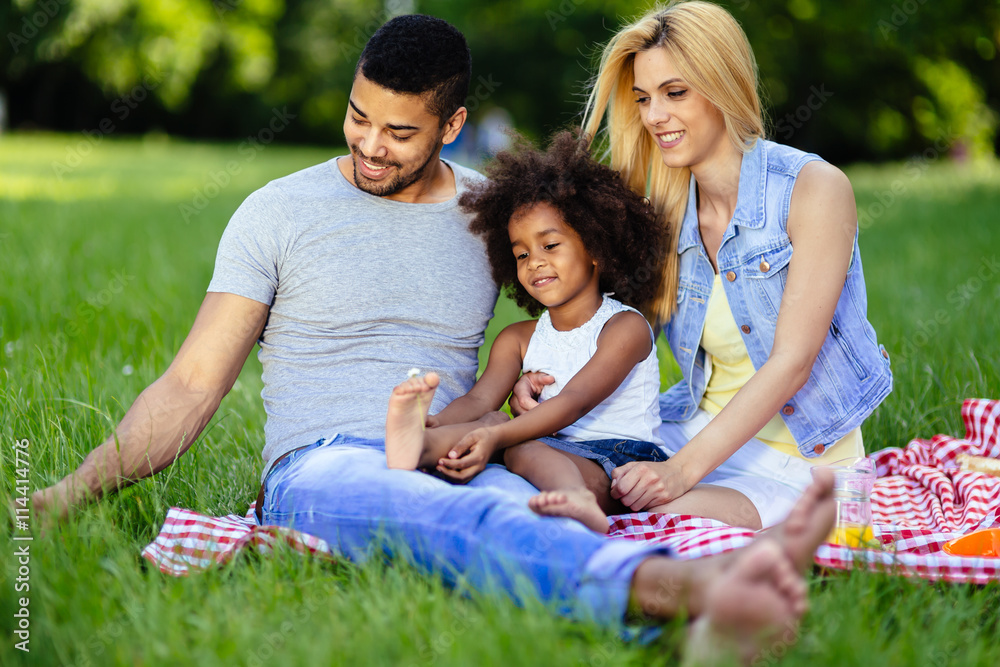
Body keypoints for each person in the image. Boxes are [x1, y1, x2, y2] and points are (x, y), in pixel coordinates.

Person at [30, 13, 838, 661]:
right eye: (358, 116)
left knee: (531, 519)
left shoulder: (498, 213)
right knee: (448, 517)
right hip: (328, 459)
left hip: (461, 448)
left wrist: (531, 381)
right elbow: (191, 384)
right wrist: (65, 495)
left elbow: (583, 304)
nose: (370, 145)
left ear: (452, 124)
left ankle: (686, 632)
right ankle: (695, 588)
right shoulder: (276, 212)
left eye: (399, 132)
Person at [513, 0, 892, 531]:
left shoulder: (812, 189)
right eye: (644, 99)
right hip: (692, 430)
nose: (653, 116)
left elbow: (792, 362)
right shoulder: (665, 215)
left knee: (649, 516)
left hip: (805, 463)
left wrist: (678, 473)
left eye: (675, 93)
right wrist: (536, 374)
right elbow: (603, 318)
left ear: (723, 84)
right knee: (533, 460)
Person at [384, 131, 667, 534]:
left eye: (550, 246)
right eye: (521, 254)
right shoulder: (517, 337)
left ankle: (577, 499)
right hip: (549, 446)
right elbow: (480, 397)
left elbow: (572, 402)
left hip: (619, 462)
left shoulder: (624, 327)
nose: (535, 262)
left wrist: (494, 435)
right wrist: (440, 421)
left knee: (510, 437)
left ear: (594, 248)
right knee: (492, 416)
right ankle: (419, 443)